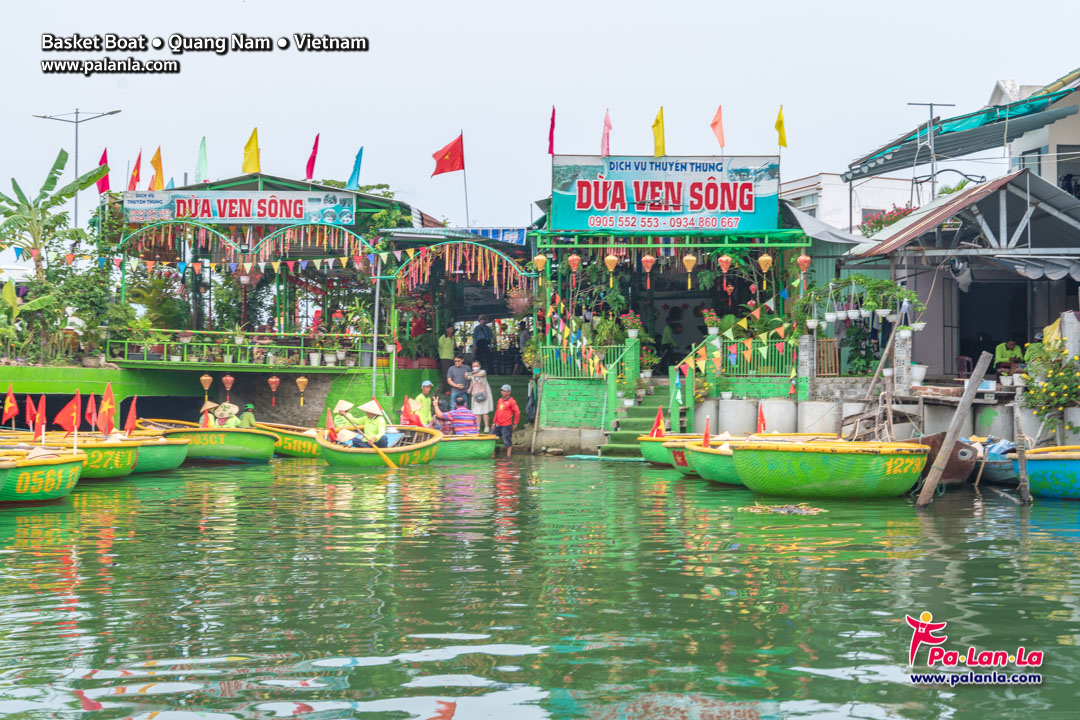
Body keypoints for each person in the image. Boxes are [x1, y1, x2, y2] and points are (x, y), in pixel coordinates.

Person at [492, 384, 521, 457]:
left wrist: (515, 423)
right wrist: (494, 422)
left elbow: (517, 412)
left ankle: (508, 456)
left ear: (509, 392)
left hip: (506, 425)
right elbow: (497, 411)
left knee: (507, 440)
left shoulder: (512, 401)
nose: (502, 392)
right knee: (492, 438)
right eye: (502, 391)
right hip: (498, 424)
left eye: (504, 391)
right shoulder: (500, 400)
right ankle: (493, 454)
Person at [468, 360, 494, 433]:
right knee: (477, 412)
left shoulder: (483, 372)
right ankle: (478, 426)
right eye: (473, 366)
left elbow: (482, 375)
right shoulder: (472, 374)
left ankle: (486, 426)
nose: (475, 368)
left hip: (484, 393)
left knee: (485, 411)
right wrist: (470, 388)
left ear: (479, 366)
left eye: (476, 366)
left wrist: (475, 375)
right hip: (476, 394)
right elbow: (468, 378)